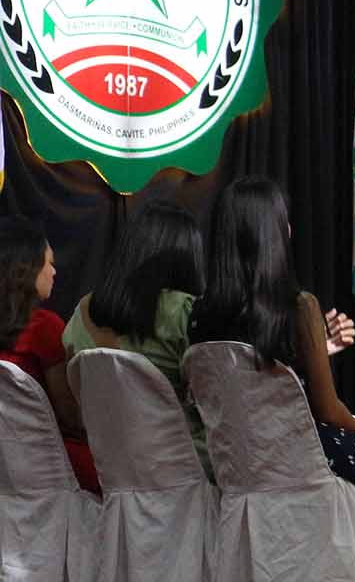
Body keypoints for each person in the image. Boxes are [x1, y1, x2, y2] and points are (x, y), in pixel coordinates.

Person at [189, 177, 355, 530]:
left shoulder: (201, 315)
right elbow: (327, 410)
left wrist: (321, 347)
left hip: (237, 462)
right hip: (298, 454)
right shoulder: (299, 307)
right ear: (276, 235)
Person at [64, 201, 211, 476]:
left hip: (115, 475)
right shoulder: (183, 311)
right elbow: (216, 400)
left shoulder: (81, 313)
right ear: (188, 257)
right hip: (187, 474)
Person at [0, 216, 99, 492]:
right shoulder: (44, 327)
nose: (54, 272)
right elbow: (69, 415)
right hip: (45, 461)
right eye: (49, 263)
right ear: (27, 269)